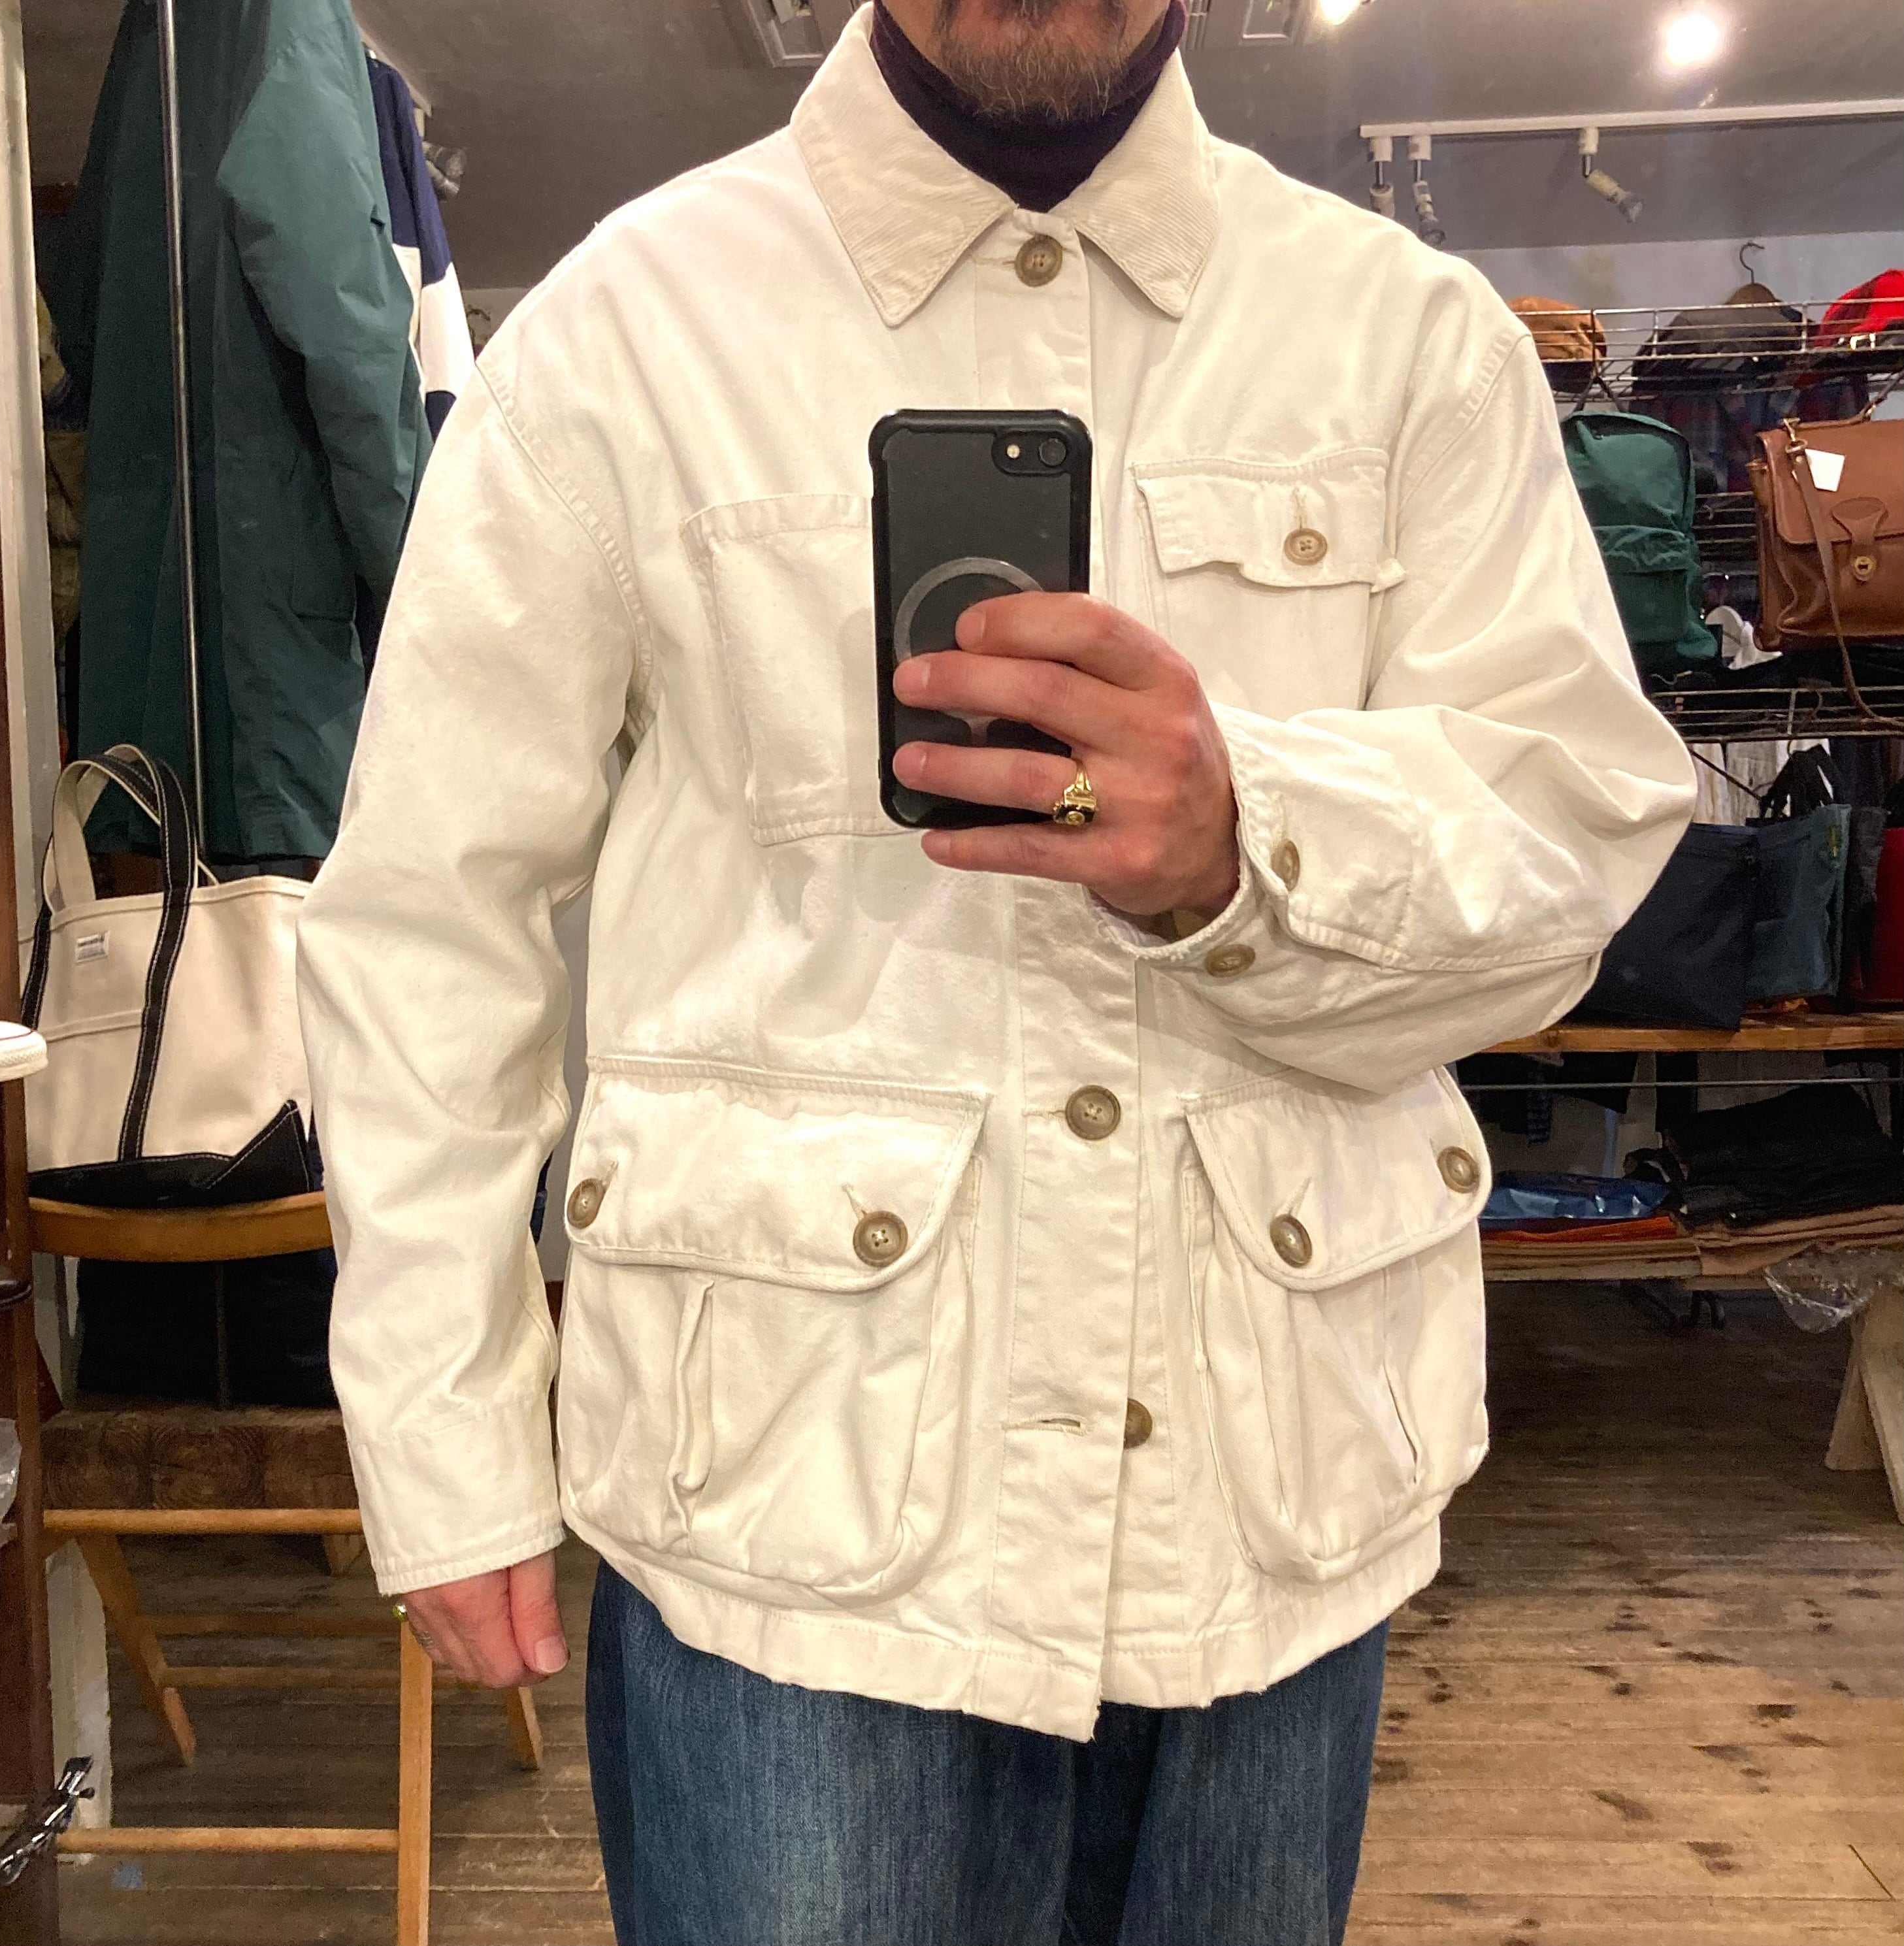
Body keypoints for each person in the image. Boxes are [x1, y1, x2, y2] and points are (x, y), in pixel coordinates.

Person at [295, 0, 1696, 1938]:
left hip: (1263, 1499)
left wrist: (1249, 842)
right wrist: (445, 1442)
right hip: (791, 1510)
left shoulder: (1400, 338)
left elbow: (1566, 850)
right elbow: (432, 918)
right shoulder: (629, 333)